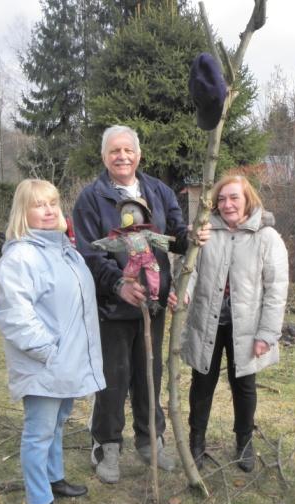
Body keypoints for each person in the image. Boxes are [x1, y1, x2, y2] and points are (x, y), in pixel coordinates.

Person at [72, 125, 210, 484]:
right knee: (114, 378)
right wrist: (118, 284)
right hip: (111, 308)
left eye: (127, 150)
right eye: (114, 151)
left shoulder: (158, 191)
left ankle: (151, 442)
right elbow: (88, 253)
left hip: (153, 305)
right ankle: (107, 446)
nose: (122, 156)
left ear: (138, 155)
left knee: (150, 374)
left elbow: (174, 238)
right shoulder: (91, 198)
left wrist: (192, 236)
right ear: (104, 157)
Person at [0, 179, 105, 504]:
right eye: (38, 205)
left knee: (57, 423)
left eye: (52, 203)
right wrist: (48, 351)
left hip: (66, 361)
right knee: (39, 432)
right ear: (23, 212)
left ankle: (54, 478)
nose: (48, 210)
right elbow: (15, 315)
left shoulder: (64, 249)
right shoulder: (22, 256)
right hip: (45, 363)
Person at [169, 175, 289, 472]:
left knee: (244, 385)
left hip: (246, 328)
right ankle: (196, 442)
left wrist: (267, 333)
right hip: (206, 323)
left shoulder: (266, 236)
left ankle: (244, 442)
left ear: (248, 199)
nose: (227, 204)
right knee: (202, 383)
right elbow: (188, 269)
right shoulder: (205, 231)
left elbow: (276, 288)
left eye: (234, 197)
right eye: (221, 199)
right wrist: (181, 292)